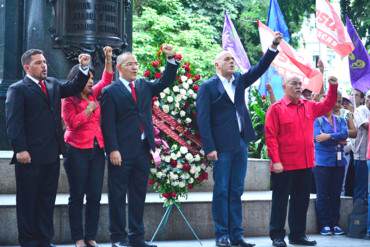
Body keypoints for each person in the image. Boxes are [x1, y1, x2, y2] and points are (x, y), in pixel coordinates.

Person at [196, 32, 282, 247]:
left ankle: (236, 235)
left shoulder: (240, 82)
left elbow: (259, 68)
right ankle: (221, 235)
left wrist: (272, 47)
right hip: (221, 148)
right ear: (217, 64)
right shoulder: (208, 87)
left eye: (233, 59)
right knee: (222, 190)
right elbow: (203, 120)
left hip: (240, 144)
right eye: (227, 59)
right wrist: (209, 147)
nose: (232, 61)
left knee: (236, 190)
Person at [5, 49, 90, 247]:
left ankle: (45, 240)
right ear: (27, 67)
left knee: (46, 199)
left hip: (52, 154)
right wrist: (20, 149)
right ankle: (28, 241)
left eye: (44, 62)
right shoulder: (18, 89)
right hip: (29, 156)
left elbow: (73, 86)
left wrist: (84, 68)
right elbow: (13, 122)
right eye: (38, 63)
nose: (44, 65)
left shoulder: (52, 83)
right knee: (28, 201)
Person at [101, 44, 179, 247]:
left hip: (143, 150)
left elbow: (165, 81)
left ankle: (137, 237)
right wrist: (113, 149)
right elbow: (107, 124)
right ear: (120, 68)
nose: (135, 67)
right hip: (121, 152)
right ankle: (118, 238)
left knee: (138, 195)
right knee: (117, 196)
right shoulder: (110, 91)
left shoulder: (144, 85)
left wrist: (170, 60)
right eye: (130, 64)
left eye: (136, 64)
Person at [265, 76, 338, 247]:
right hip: (284, 165)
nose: (298, 87)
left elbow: (327, 105)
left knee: (301, 201)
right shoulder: (276, 109)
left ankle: (297, 235)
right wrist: (275, 160)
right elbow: (271, 137)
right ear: (284, 86)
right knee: (280, 202)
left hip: (305, 164)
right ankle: (277, 236)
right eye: (294, 84)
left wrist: (333, 87)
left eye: (300, 84)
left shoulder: (309, 106)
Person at [62, 46, 114, 247]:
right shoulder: (68, 98)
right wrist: (88, 112)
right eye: (88, 78)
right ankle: (78, 238)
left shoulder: (93, 94)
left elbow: (107, 79)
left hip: (96, 150)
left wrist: (108, 58)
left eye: (92, 78)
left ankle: (90, 236)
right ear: (78, 79)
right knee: (77, 195)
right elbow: (71, 124)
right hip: (76, 151)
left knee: (94, 194)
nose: (92, 81)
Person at [313, 101, 348, 236]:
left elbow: (345, 134)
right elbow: (318, 138)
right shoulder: (317, 121)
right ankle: (324, 224)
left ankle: (335, 223)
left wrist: (328, 136)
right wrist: (337, 138)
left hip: (339, 162)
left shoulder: (340, 119)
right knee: (322, 194)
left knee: (335, 194)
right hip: (322, 162)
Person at [352, 90, 370, 201]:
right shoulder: (360, 110)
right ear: (365, 98)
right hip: (361, 155)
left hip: (369, 156)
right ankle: (358, 216)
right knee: (361, 187)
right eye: (369, 96)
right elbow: (365, 125)